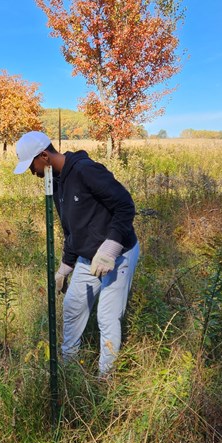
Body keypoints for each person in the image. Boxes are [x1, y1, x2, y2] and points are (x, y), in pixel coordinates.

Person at [14, 132, 139, 376]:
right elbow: (72, 229)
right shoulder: (58, 182)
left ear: (44, 156)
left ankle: (106, 378)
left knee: (107, 317)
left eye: (32, 166)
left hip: (120, 253)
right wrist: (65, 266)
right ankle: (69, 369)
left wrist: (111, 247)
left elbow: (125, 205)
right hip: (88, 257)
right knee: (72, 307)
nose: (32, 172)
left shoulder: (86, 171)